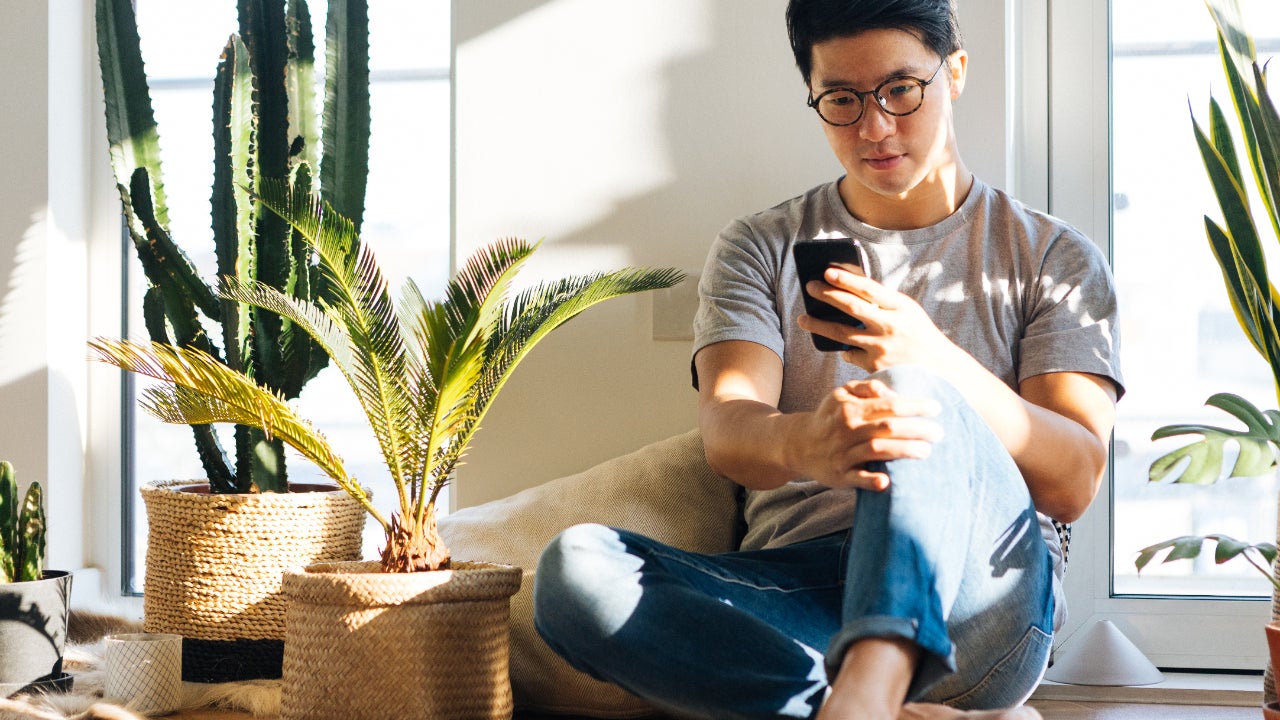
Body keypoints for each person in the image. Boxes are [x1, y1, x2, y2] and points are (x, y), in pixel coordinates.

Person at [532, 0, 1123, 718]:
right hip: (800, 592)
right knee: (575, 571)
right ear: (814, 97)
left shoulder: (1051, 256)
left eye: (901, 90)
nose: (874, 127)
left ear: (955, 73)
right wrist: (805, 444)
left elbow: (1076, 480)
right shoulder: (761, 246)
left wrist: (934, 361)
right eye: (842, 100)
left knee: (911, 393)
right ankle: (856, 704)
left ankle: (869, 687)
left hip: (981, 604)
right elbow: (729, 428)